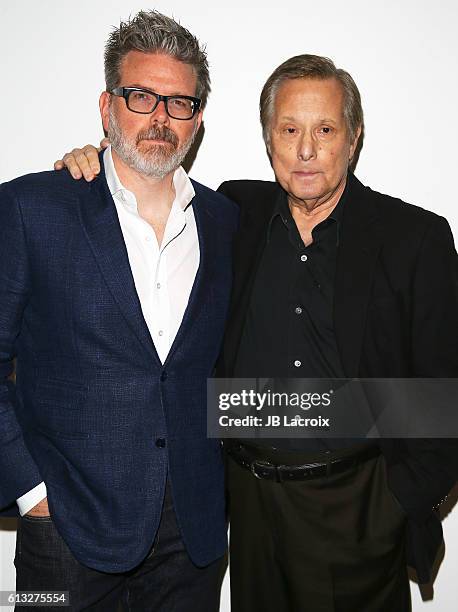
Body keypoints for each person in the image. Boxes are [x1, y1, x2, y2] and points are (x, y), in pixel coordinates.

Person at [56, 55, 458, 611]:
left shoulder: (415, 237)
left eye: (325, 130)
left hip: (358, 508)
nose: (307, 150)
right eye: (289, 130)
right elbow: (147, 180)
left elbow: (445, 395)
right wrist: (94, 162)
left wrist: (395, 502)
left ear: (354, 137)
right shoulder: (232, 212)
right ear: (269, 137)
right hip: (245, 508)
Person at [0, 10, 237, 611]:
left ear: (198, 121)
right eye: (141, 96)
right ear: (107, 107)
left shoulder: (227, 220)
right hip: (63, 534)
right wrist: (33, 495)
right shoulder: (31, 208)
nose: (160, 116)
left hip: (194, 539)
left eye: (178, 102)